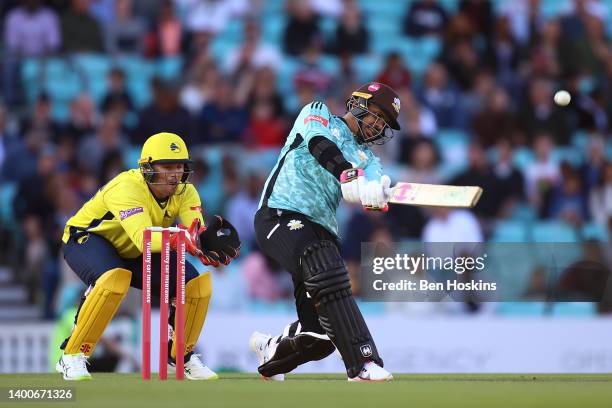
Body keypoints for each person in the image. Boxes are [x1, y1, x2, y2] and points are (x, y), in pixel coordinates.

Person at [55, 132, 240, 380]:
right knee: (113, 279)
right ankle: (72, 354)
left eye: (180, 166)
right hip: (88, 239)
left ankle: (179, 357)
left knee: (197, 285)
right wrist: (184, 239)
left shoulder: (186, 192)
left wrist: (204, 246)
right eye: (167, 167)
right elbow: (143, 238)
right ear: (148, 168)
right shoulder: (127, 187)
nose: (175, 174)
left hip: (137, 249)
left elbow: (194, 232)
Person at [250, 82, 401, 382]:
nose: (379, 125)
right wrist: (347, 173)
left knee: (318, 337)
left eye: (385, 122)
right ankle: (363, 363)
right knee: (326, 266)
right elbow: (319, 144)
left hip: (321, 230)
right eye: (378, 115)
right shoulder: (318, 113)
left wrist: (375, 194)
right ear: (359, 103)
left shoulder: (368, 160)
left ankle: (270, 349)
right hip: (280, 213)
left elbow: (366, 188)